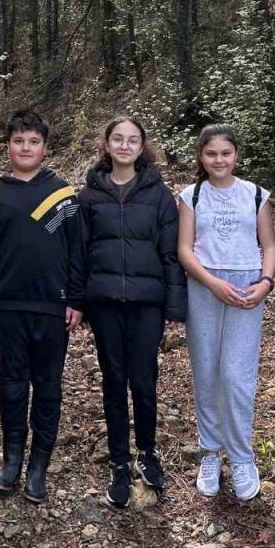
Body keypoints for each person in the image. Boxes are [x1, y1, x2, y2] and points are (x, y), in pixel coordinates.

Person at [79, 115, 185, 507]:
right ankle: (119, 462)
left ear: (142, 147)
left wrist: (174, 304)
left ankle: (148, 453)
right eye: (118, 139)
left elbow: (170, 253)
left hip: (146, 303)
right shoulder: (89, 196)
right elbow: (80, 253)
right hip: (104, 302)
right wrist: (80, 301)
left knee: (143, 379)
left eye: (133, 140)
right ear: (106, 145)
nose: (125, 145)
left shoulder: (159, 195)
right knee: (113, 380)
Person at [0, 110, 85, 503]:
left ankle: (39, 466)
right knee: (11, 386)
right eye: (18, 141)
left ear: (44, 147)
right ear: (8, 146)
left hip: (52, 307)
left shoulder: (63, 195)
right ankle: (11, 459)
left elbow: (77, 251)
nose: (25, 148)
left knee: (47, 388)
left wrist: (76, 299)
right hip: (7, 305)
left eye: (33, 142)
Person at [177, 124, 275, 501]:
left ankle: (241, 456)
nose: (219, 160)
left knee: (237, 375)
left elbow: (268, 244)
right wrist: (211, 282)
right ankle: (210, 452)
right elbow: (185, 249)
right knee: (207, 371)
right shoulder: (192, 195)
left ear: (236, 155)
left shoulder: (255, 195)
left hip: (247, 288)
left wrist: (266, 282)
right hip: (204, 287)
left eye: (226, 153)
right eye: (211, 154)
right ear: (201, 157)